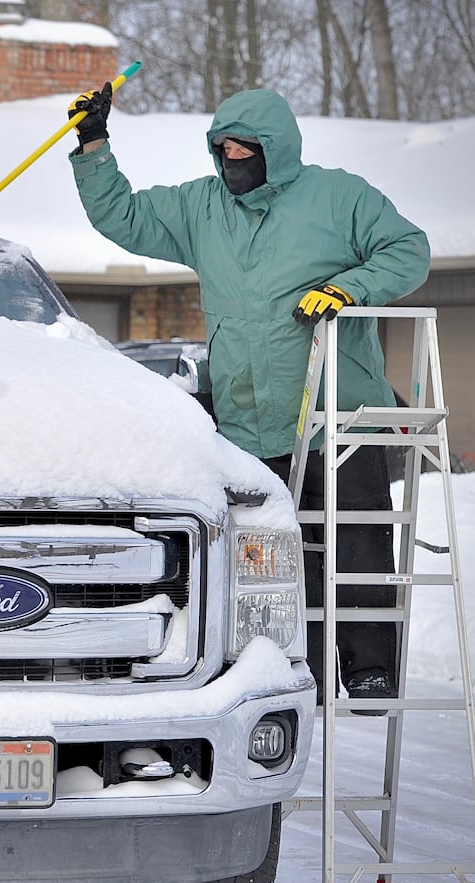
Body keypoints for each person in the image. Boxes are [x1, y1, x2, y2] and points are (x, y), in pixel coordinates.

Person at [67, 84, 431, 710]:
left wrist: (349, 289)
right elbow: (123, 216)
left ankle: (372, 670)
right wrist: (94, 146)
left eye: (245, 148)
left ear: (276, 149)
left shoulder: (339, 197)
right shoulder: (202, 207)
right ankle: (297, 665)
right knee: (274, 559)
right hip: (250, 424)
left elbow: (408, 250)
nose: (233, 158)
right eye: (223, 148)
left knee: (359, 543)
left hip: (336, 415)